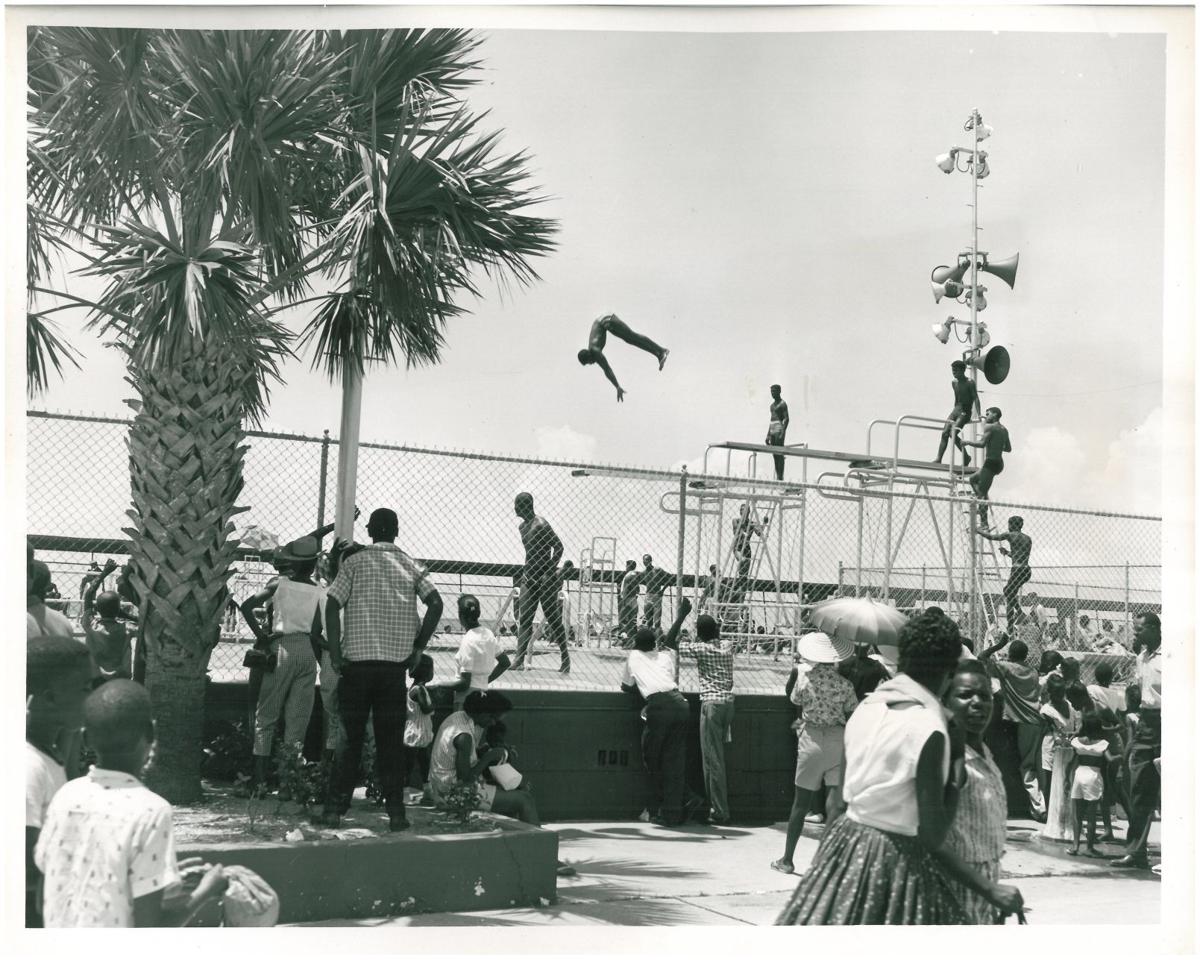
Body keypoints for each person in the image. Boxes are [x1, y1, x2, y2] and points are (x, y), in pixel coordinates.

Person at [778, 612, 979, 925]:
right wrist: (990, 890)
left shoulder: (869, 708)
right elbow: (934, 833)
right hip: (896, 861)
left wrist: (824, 874)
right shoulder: (932, 728)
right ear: (950, 670)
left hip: (846, 848)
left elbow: (838, 806)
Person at [35, 681, 232, 926]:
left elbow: (47, 893)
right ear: (151, 734)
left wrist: (160, 877)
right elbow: (149, 928)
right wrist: (207, 891)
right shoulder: (152, 810)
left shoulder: (65, 796)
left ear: (85, 739)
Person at [317, 508, 443, 831]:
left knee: (349, 740)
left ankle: (334, 810)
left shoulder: (354, 563)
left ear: (370, 531)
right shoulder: (410, 565)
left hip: (356, 668)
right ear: (396, 531)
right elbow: (436, 603)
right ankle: (396, 813)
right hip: (392, 672)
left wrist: (334, 651)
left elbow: (332, 603)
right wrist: (418, 648)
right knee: (390, 744)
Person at [428, 690, 575, 875]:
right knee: (524, 800)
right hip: (452, 793)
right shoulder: (464, 736)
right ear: (482, 714)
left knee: (515, 792)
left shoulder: (460, 717)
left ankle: (528, 848)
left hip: (444, 786)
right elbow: (465, 779)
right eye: (493, 718)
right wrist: (488, 757)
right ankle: (545, 857)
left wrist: (489, 753)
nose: (494, 723)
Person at [939, 660, 1026, 923]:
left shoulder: (984, 753)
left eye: (985, 696)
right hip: (955, 892)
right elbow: (932, 840)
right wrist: (989, 889)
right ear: (945, 702)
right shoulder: (948, 758)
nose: (978, 703)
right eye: (965, 695)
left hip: (984, 892)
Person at [237, 536, 325, 798]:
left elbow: (247, 606)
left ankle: (260, 783)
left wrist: (263, 637)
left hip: (281, 648)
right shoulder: (320, 590)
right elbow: (318, 629)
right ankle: (289, 784)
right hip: (306, 651)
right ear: (312, 565)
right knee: (298, 719)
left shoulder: (279, 584)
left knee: (266, 716)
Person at [771, 631, 857, 875]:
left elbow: (796, 702)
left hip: (810, 738)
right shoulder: (845, 684)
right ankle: (830, 862)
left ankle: (787, 860)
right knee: (834, 805)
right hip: (837, 739)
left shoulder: (804, 679)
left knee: (801, 804)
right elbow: (851, 712)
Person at [26, 636, 93, 927]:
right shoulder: (27, 765)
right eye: (85, 689)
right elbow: (25, 861)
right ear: (49, 697)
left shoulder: (50, 756)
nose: (92, 699)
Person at [620, 601, 695, 827]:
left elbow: (626, 686)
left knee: (652, 761)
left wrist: (642, 687)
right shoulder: (664, 656)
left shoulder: (633, 657)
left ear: (635, 644)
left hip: (658, 706)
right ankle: (680, 804)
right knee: (674, 760)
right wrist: (681, 615)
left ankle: (658, 809)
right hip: (679, 702)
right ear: (654, 644)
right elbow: (671, 639)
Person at [669, 610, 735, 825]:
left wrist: (681, 617)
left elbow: (670, 641)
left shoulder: (700, 649)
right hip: (728, 703)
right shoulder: (727, 646)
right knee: (718, 756)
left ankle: (720, 810)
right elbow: (718, 636)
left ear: (699, 633)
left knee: (712, 760)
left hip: (711, 705)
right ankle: (718, 806)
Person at [1112, 612, 1161, 870]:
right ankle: (1136, 851)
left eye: (1140, 629)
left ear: (1154, 628)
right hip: (1147, 725)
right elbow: (1140, 693)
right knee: (1139, 789)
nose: (1136, 633)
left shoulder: (1173, 654)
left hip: (1170, 723)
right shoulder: (1141, 658)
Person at [979, 634, 1046, 820]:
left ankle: (1040, 808)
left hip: (1022, 721)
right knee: (1036, 765)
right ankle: (1042, 803)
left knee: (1027, 767)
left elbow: (981, 658)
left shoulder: (1006, 667)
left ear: (1009, 654)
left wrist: (998, 645)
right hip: (1035, 720)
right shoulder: (1032, 671)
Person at [511, 493, 571, 674]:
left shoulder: (541, 525)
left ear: (525, 505)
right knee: (525, 620)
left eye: (516, 505)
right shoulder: (522, 527)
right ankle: (518, 659)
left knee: (553, 618)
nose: (514, 508)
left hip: (545, 579)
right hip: (529, 577)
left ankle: (565, 657)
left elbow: (558, 547)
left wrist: (549, 571)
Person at [576, 313, 669, 402]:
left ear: (588, 355)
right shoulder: (593, 352)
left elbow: (607, 369)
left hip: (605, 319)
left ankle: (662, 350)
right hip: (603, 324)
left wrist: (617, 387)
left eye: (589, 362)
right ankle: (659, 354)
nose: (591, 363)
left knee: (632, 335)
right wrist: (617, 386)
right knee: (630, 340)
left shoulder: (595, 351)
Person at [1067, 710, 1119, 857]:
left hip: (1079, 774)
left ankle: (1075, 846)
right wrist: (1120, 756)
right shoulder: (1102, 744)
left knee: (1077, 814)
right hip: (1094, 776)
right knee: (1090, 816)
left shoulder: (1077, 742)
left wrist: (1066, 778)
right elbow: (1110, 760)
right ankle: (1089, 847)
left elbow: (1071, 762)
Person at [448, 594, 513, 708]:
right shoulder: (488, 634)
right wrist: (484, 681)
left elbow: (464, 683)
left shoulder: (468, 640)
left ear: (461, 616)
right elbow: (505, 663)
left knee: (461, 724)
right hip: (482, 694)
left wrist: (440, 686)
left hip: (465, 700)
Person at [1039, 673, 1080, 842]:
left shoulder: (1069, 705)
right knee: (1051, 783)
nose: (1058, 697)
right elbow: (1052, 729)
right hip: (1051, 748)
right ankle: (1054, 822)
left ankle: (1067, 820)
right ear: (1049, 692)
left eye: (1060, 693)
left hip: (1068, 748)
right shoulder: (1046, 710)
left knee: (1067, 783)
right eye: (1055, 693)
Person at [955, 406, 1010, 526]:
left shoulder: (990, 427)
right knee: (973, 479)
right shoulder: (1004, 430)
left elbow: (981, 444)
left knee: (982, 492)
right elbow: (1008, 448)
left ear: (995, 414)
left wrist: (967, 442)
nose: (986, 416)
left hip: (990, 463)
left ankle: (984, 522)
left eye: (988, 413)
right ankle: (982, 506)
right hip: (999, 464)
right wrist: (996, 444)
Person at [81, 558, 133, 684]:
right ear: (118, 611)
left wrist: (104, 572)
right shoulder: (126, 629)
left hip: (95, 678)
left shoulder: (91, 626)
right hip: (119, 679)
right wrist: (130, 616)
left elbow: (88, 595)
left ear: (97, 609)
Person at [973, 517, 1031, 627]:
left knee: (1007, 591)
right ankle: (1012, 623)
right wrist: (1007, 552)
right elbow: (1020, 556)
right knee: (1010, 596)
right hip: (1026, 570)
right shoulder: (1028, 538)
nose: (1008, 527)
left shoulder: (1010, 535)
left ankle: (1020, 614)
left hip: (1017, 570)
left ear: (1012, 525)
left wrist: (978, 530)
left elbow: (991, 537)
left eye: (1009, 524)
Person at [402, 654, 436, 804]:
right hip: (416, 731)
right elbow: (427, 709)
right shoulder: (419, 690)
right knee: (409, 764)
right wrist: (436, 701)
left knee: (423, 762)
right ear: (427, 672)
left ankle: (427, 791)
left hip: (419, 731)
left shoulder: (417, 688)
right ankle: (404, 793)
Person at [934, 360, 980, 468]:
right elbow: (957, 398)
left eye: (956, 370)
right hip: (956, 410)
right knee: (945, 432)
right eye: (952, 370)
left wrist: (979, 414)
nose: (953, 372)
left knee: (953, 433)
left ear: (963, 370)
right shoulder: (954, 382)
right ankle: (939, 458)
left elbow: (976, 398)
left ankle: (966, 457)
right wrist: (954, 412)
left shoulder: (970, 382)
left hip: (965, 411)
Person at [28, 560, 75, 639]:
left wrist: (54, 594)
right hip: (46, 597)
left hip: (49, 596)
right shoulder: (63, 622)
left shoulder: (53, 585)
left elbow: (57, 592)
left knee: (56, 595)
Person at [639, 554, 671, 635]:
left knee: (657, 622)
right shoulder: (644, 573)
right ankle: (649, 641)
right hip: (648, 596)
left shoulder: (657, 570)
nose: (645, 562)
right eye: (644, 560)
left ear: (651, 560)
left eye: (647, 560)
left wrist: (663, 590)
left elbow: (670, 578)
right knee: (648, 621)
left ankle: (658, 643)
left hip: (657, 595)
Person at [766, 384, 790, 481]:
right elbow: (771, 420)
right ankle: (778, 476)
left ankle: (781, 477)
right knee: (774, 454)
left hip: (779, 428)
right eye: (771, 391)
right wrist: (768, 435)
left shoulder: (782, 404)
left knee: (779, 453)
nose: (773, 393)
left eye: (774, 391)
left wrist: (782, 432)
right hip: (772, 428)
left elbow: (786, 418)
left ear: (779, 391)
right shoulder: (772, 406)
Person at [618, 560, 641, 642]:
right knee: (632, 620)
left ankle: (627, 639)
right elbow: (637, 588)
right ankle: (631, 639)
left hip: (627, 599)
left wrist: (624, 600)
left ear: (629, 566)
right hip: (632, 599)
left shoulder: (630, 575)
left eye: (626, 565)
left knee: (623, 619)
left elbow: (628, 588)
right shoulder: (634, 574)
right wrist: (635, 595)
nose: (625, 567)